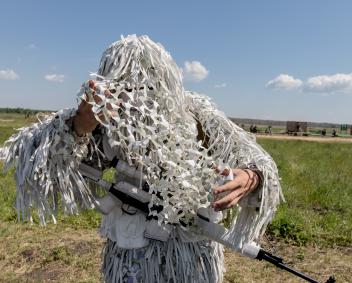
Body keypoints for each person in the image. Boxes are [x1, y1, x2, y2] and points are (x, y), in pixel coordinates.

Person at [2, 35, 282, 283]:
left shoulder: (197, 115)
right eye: (125, 81)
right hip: (129, 251)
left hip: (190, 254)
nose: (137, 89)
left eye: (147, 80)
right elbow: (36, 157)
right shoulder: (100, 117)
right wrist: (78, 128)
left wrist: (251, 176)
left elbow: (254, 157)